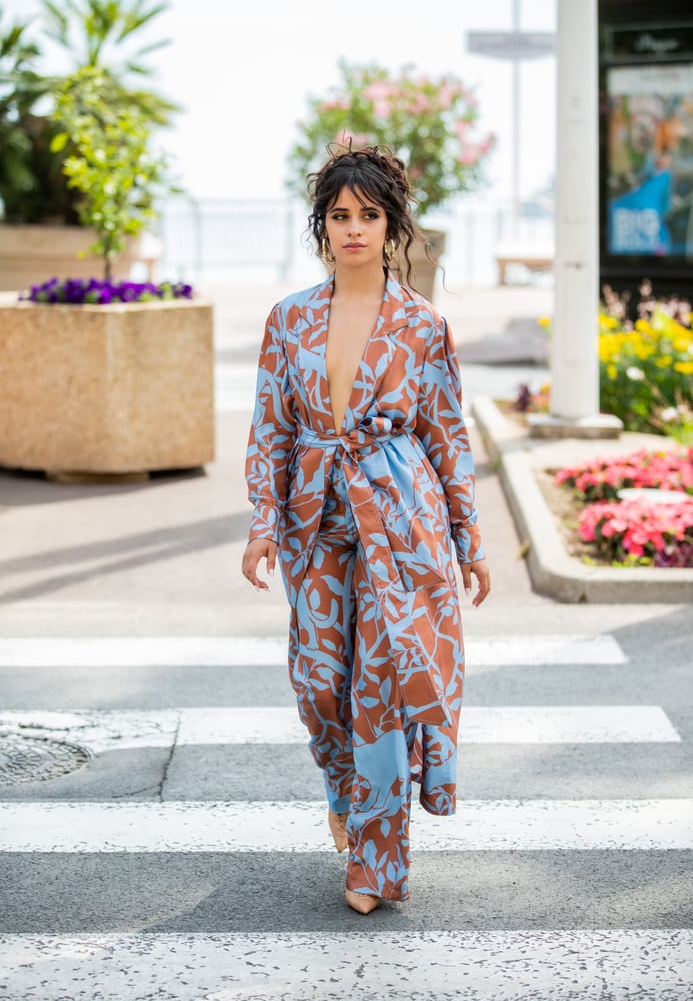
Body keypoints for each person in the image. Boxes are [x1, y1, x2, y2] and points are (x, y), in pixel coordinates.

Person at [242, 144, 490, 915]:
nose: (354, 229)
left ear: (392, 227)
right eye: (339, 216)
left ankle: (375, 867)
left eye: (369, 215)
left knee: (378, 691)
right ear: (323, 227)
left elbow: (447, 435)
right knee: (320, 685)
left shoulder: (421, 326)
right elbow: (271, 431)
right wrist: (262, 524)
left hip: (402, 524)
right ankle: (345, 797)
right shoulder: (288, 320)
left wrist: (468, 539)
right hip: (315, 522)